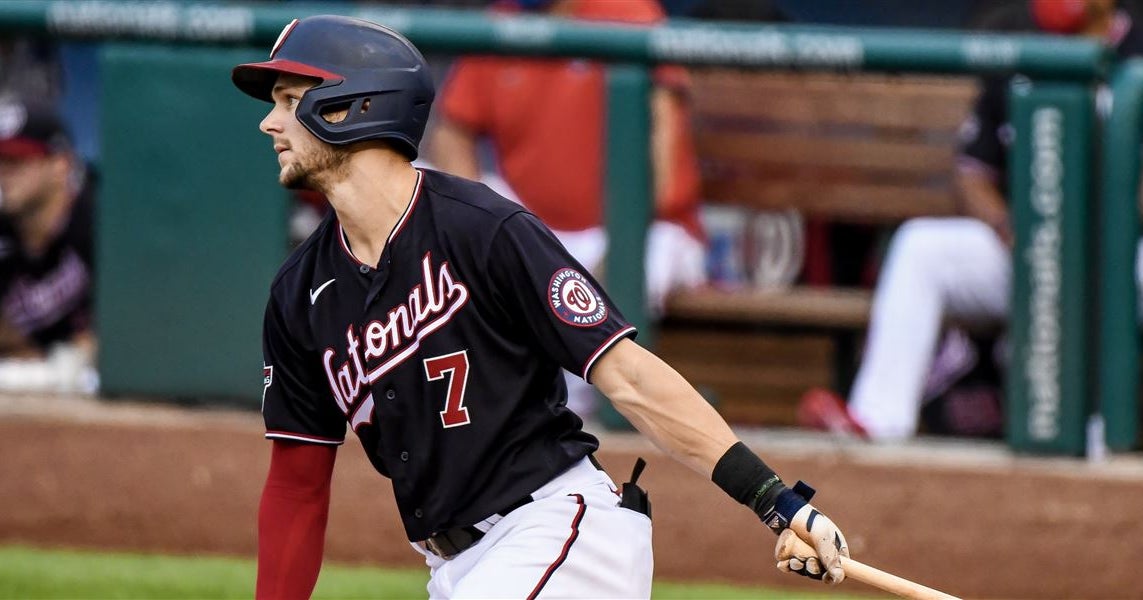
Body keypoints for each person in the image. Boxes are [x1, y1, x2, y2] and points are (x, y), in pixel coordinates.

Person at [232, 15, 850, 599]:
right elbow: (297, 484)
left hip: (561, 534)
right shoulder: (299, 294)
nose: (270, 123)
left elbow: (629, 378)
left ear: (351, 104)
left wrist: (774, 499)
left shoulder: (482, 229)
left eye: (289, 100)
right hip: (456, 570)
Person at [798, 0, 1143, 440]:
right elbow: (972, 174)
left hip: (1122, 251)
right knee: (922, 247)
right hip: (1030, 247)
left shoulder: (1138, 45)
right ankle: (879, 420)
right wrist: (1011, 229)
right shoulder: (1024, 47)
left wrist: (1101, 227)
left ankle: (1104, 430)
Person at [426, 0, 707, 419]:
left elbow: (664, 172)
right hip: (535, 227)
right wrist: (482, 221)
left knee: (638, 263)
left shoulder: (628, 11)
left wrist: (624, 239)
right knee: (420, 183)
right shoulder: (504, 20)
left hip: (641, 228)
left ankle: (576, 416)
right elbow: (450, 135)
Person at [0, 96, 97, 393]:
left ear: (60, 165)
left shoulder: (100, 220)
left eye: (18, 162)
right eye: (0, 162)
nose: (4, 175)